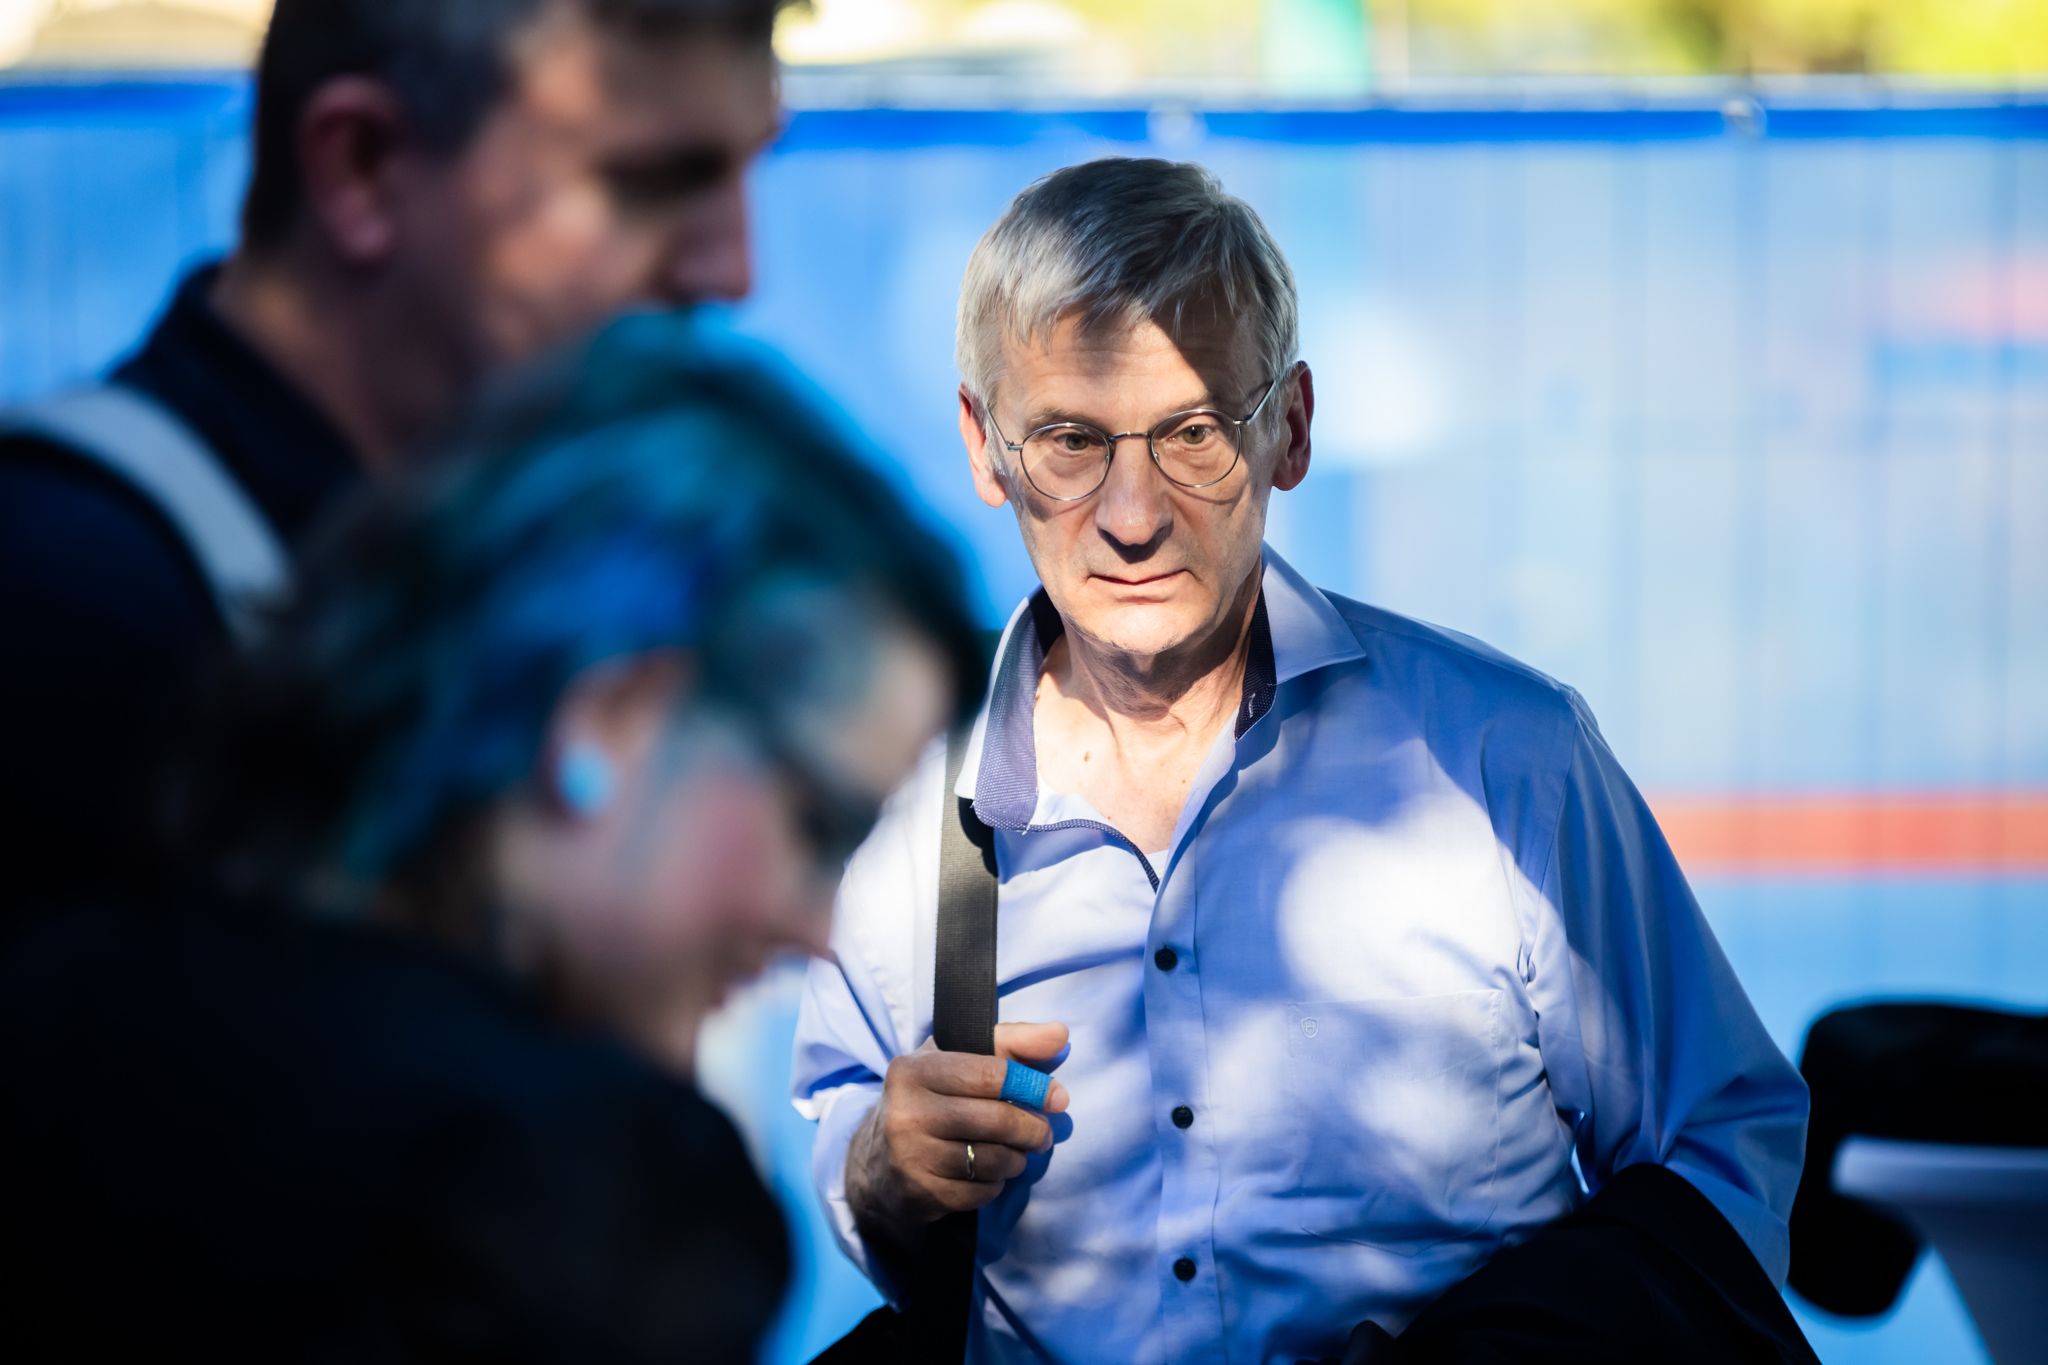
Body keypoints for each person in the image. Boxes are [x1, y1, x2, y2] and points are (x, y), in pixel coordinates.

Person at [792, 158, 1817, 1363]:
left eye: (1191, 434)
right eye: (1069, 440)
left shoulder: (1502, 759)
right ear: (985, 446)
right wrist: (885, 1168)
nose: (1130, 514)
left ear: (1288, 428)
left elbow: (1724, 1148)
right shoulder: (901, 801)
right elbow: (857, 1172)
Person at [0, 315, 987, 1362]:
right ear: (608, 721)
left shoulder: (51, 1008)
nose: (815, 930)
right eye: (819, 828)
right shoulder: (588, 1200)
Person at [0, 0, 786, 912]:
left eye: (745, 169)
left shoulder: (507, 567)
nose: (730, 270)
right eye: (650, 181)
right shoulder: (70, 602)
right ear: (361, 168)